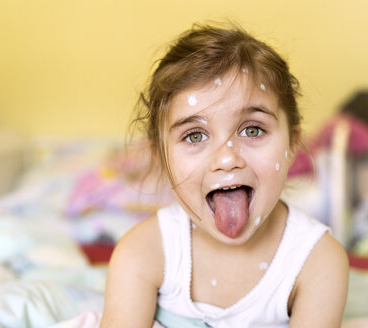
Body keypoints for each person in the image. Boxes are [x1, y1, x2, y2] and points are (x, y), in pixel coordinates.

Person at [100, 23, 349, 328]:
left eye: (252, 130)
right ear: (161, 158)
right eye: (194, 136)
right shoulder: (143, 253)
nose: (227, 158)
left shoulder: (317, 261)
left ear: (292, 144)